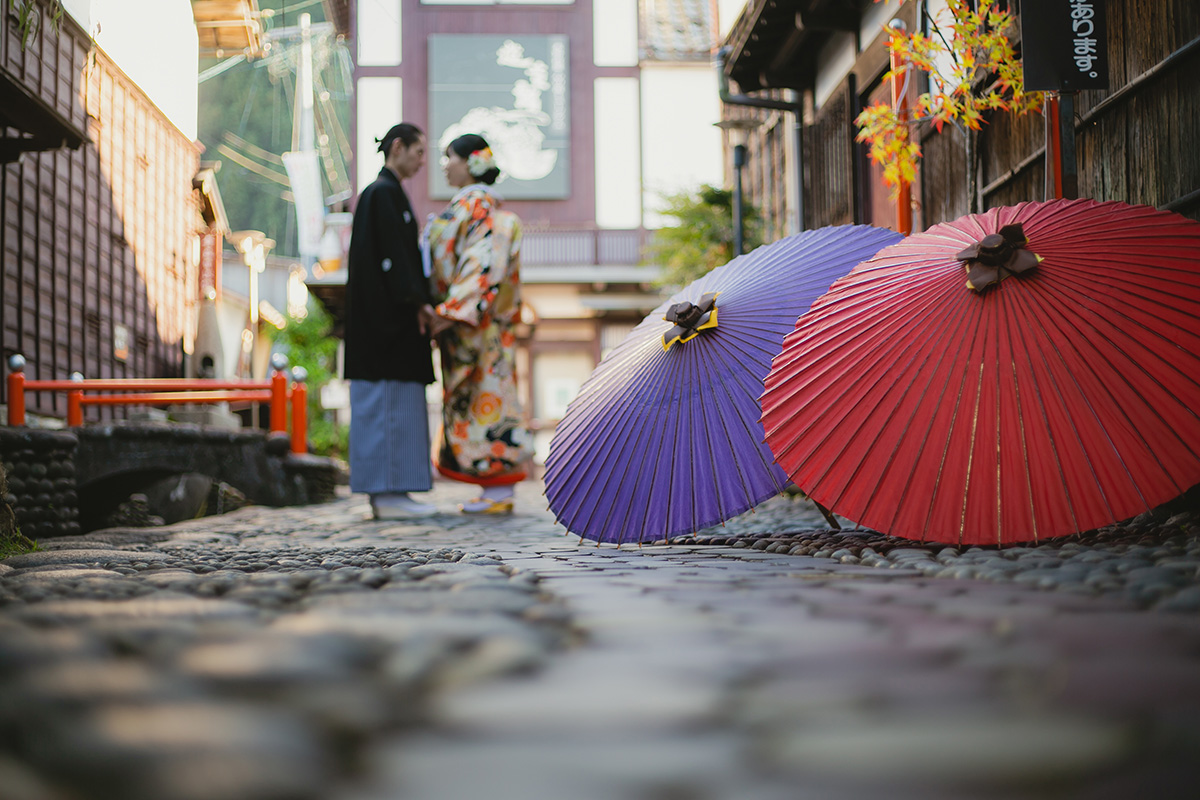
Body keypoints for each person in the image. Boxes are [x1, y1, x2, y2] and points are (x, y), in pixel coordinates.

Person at [423, 133, 530, 514]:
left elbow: (480, 262)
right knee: (485, 399)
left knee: (489, 398)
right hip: (478, 322)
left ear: (469, 161)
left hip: (477, 323)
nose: (444, 164)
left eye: (448, 157)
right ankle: (493, 489)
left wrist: (449, 310)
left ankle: (499, 489)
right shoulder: (476, 205)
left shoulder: (479, 205)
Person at [344, 123, 438, 519]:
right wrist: (418, 302)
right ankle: (387, 495)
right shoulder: (382, 193)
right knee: (386, 405)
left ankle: (393, 491)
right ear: (397, 148)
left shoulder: (383, 193)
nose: (421, 162)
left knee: (390, 406)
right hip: (385, 327)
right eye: (418, 153)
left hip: (385, 324)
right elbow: (396, 262)